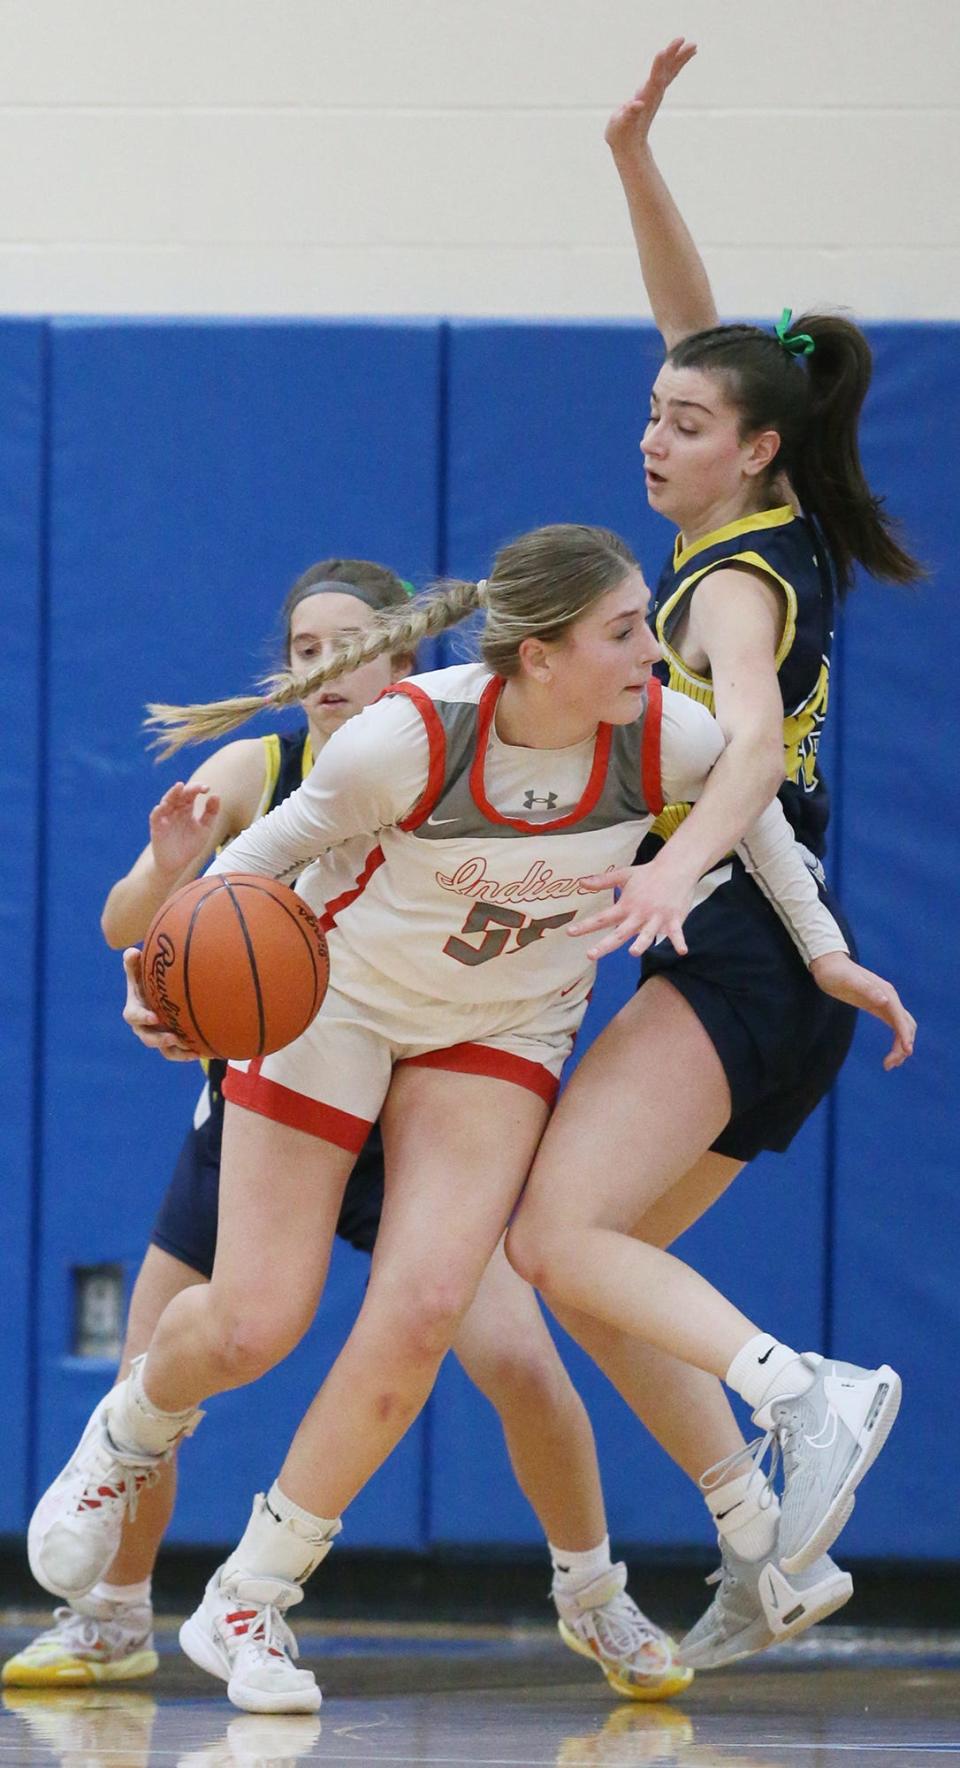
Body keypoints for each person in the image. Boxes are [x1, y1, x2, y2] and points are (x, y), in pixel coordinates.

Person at [27, 522, 912, 1715]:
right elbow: (258, 870)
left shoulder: (660, 730)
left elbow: (749, 805)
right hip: (338, 1005)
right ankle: (131, 1425)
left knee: (434, 1307)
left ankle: (254, 1594)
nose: (654, 647)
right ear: (539, 659)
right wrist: (158, 982)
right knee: (254, 1323)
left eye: (647, 620)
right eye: (623, 630)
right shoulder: (412, 738)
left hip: (495, 1034)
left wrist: (826, 952)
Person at [501, 39, 923, 1673]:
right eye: (651, 414)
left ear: (752, 446)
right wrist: (632, 157)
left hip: (734, 941)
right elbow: (703, 334)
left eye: (683, 421)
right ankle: (764, 1542)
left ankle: (808, 1394)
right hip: (790, 962)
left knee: (551, 1234)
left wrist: (679, 871)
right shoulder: (773, 517)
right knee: (603, 1273)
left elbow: (746, 738)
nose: (651, 436)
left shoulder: (728, 589)